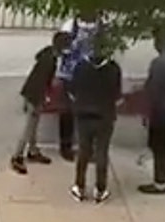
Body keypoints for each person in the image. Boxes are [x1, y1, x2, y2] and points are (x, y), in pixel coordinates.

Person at [68, 34, 123, 203]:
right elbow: (117, 95)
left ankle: (79, 186)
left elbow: (72, 92)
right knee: (102, 152)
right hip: (105, 115)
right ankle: (100, 188)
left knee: (83, 151)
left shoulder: (80, 67)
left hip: (84, 114)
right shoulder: (113, 68)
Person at [11, 30, 71, 174]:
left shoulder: (47, 54)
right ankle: (17, 156)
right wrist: (42, 98)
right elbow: (41, 82)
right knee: (29, 128)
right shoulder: (50, 61)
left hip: (31, 93)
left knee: (33, 125)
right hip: (35, 95)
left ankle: (32, 151)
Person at [55, 15, 100, 161]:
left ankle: (88, 148)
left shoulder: (101, 26)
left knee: (89, 113)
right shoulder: (70, 25)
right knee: (67, 113)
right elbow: (59, 46)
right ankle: (66, 147)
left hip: (91, 76)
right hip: (70, 75)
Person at [138, 31, 165, 195]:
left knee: (160, 148)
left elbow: (153, 91)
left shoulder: (159, 63)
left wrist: (146, 114)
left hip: (163, 113)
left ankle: (160, 183)